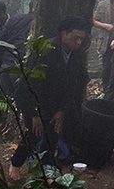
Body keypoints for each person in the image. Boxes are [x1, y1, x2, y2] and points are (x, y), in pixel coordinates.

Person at [10, 15, 89, 175]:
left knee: (53, 134)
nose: (78, 42)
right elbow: (32, 85)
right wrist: (34, 114)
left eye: (81, 39)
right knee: (34, 134)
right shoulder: (45, 51)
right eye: (75, 38)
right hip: (34, 98)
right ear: (63, 34)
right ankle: (16, 164)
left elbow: (73, 86)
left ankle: (46, 168)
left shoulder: (76, 54)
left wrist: (62, 111)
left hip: (56, 99)